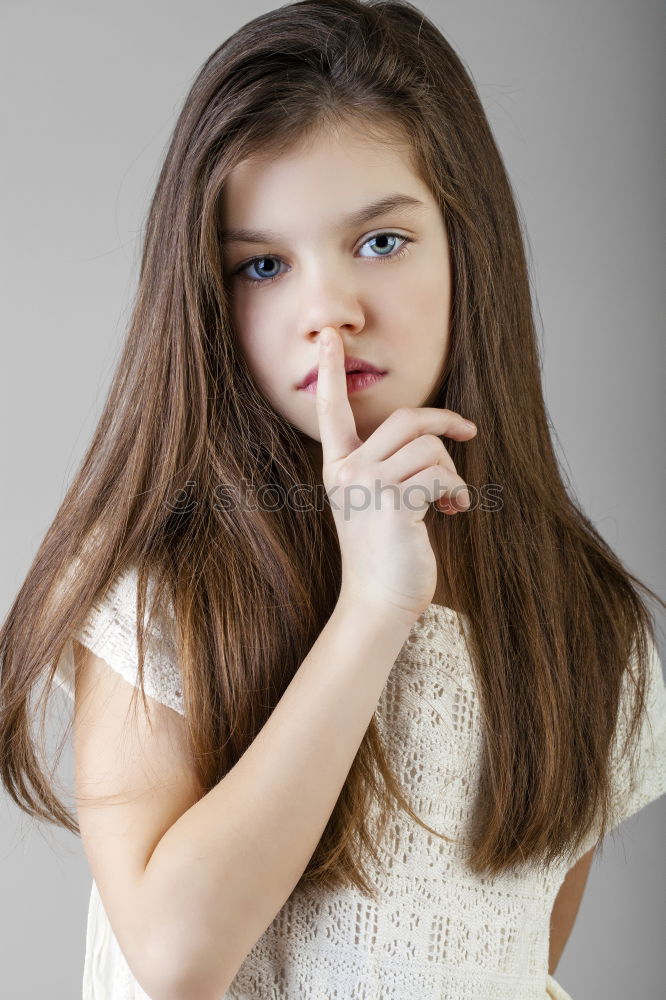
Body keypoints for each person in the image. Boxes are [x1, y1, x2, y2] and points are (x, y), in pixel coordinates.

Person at [1, 1, 664, 998]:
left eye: (381, 242)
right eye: (263, 265)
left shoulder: (585, 622)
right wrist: (370, 609)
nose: (328, 313)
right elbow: (176, 958)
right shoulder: (161, 586)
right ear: (208, 297)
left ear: (466, 247)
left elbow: (516, 963)